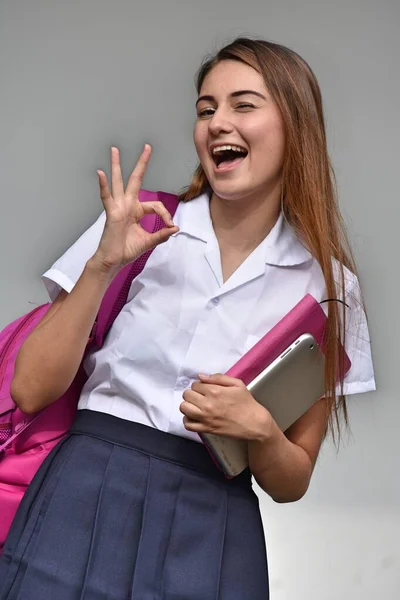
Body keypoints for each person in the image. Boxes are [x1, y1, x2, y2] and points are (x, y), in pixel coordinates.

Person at [0, 38, 375, 599]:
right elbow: (30, 390)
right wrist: (102, 266)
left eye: (243, 105)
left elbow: (292, 480)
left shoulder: (330, 290)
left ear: (296, 125)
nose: (218, 123)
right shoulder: (140, 228)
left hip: (211, 525)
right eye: (206, 109)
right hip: (85, 492)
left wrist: (261, 431)